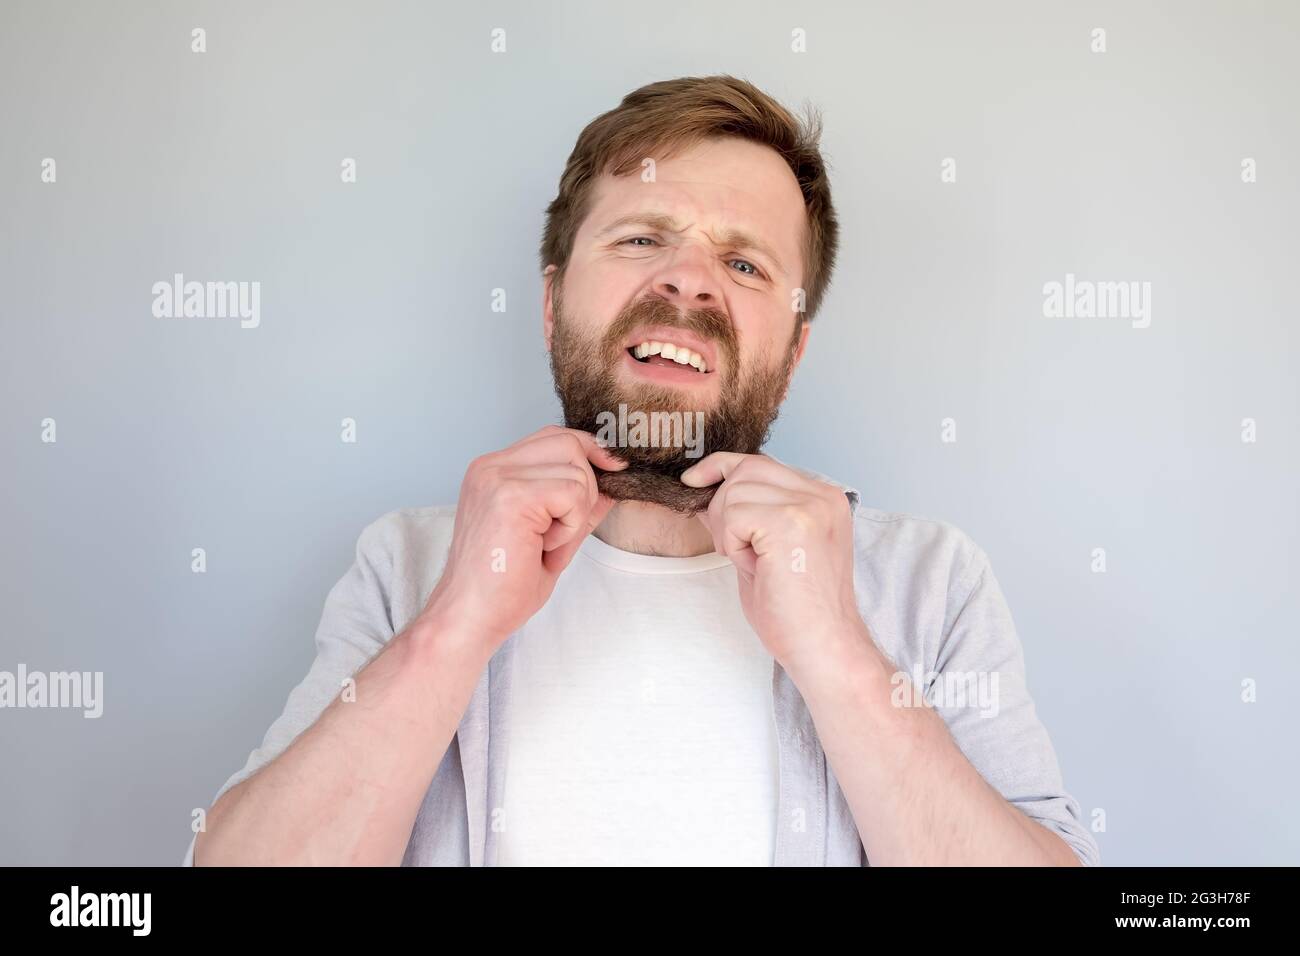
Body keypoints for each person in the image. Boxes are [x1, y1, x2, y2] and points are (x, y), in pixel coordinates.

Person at [188, 75, 1098, 866]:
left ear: (792, 351)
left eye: (743, 262)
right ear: (552, 305)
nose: (689, 281)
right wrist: (455, 624)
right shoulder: (409, 565)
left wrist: (838, 651)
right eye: (638, 240)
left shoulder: (931, 585)